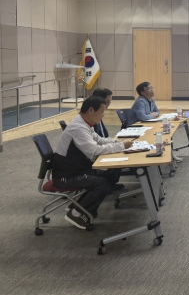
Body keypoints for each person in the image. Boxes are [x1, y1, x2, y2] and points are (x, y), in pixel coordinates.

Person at [52, 96, 133, 230]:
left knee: (107, 175)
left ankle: (77, 207)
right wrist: (121, 146)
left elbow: (99, 140)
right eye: (101, 111)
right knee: (102, 184)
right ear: (91, 110)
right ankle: (77, 213)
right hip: (66, 176)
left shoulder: (83, 123)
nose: (103, 115)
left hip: (76, 170)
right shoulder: (78, 128)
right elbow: (95, 151)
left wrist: (117, 142)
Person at [127, 82, 182, 163]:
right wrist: (152, 115)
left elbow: (157, 112)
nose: (152, 90)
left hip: (146, 125)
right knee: (160, 134)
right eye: (149, 89)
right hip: (136, 128)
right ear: (142, 92)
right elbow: (142, 117)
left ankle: (169, 155)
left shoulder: (151, 100)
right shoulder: (140, 101)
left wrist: (153, 115)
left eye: (152, 87)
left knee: (165, 133)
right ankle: (166, 155)